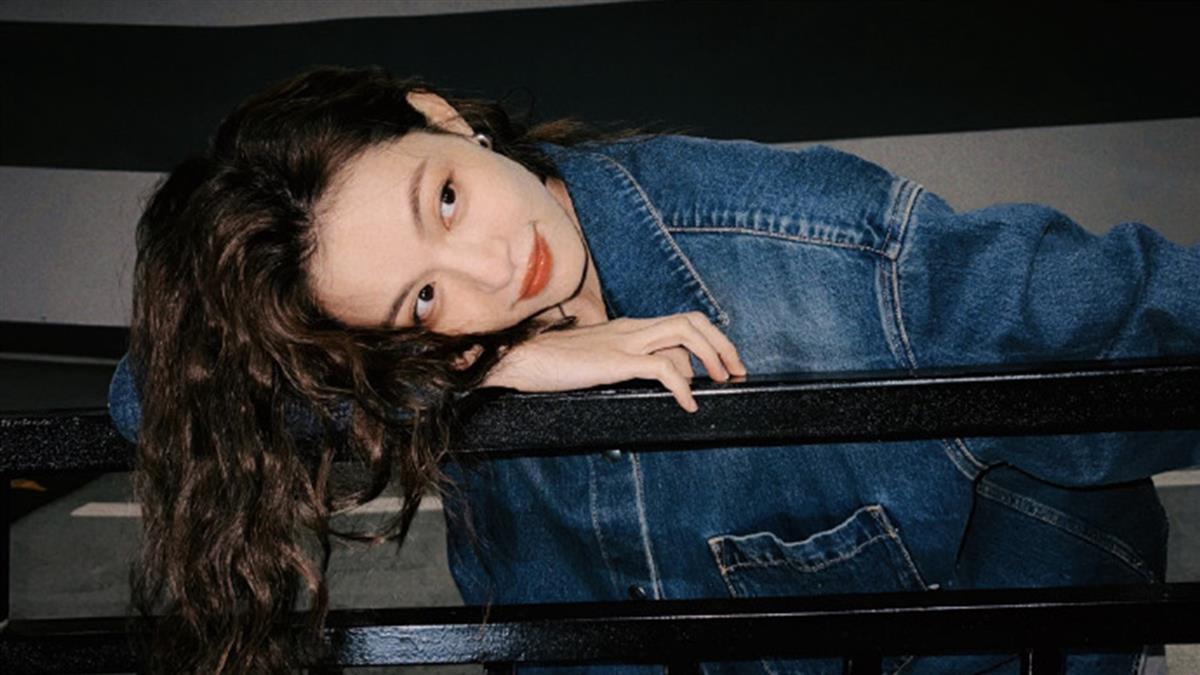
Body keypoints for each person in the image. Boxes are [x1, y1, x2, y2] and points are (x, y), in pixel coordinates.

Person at [108, 65, 1199, 674]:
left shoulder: (831, 257)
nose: (493, 268)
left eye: (444, 199)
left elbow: (1145, 314)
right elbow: (154, 398)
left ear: (441, 119)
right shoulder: (448, 353)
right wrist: (485, 370)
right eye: (422, 298)